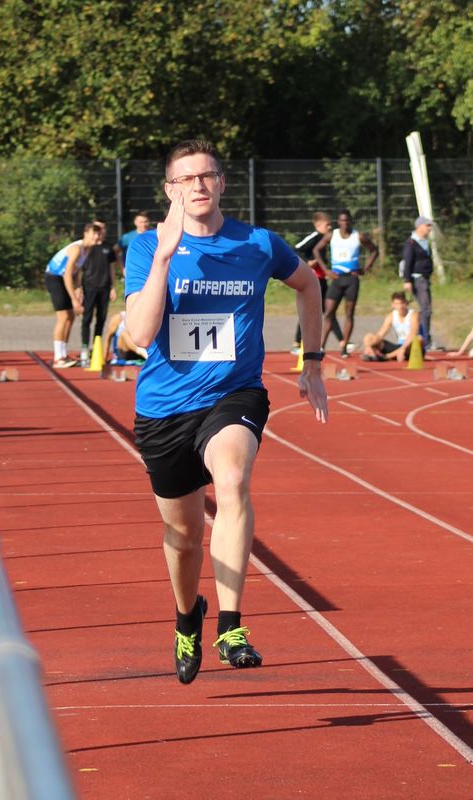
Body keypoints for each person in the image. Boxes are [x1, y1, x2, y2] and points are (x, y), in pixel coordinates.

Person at [125, 139, 328, 685]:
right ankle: (187, 615)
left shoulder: (258, 243)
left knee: (233, 480)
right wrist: (165, 256)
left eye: (206, 176)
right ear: (169, 190)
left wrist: (312, 361)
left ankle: (232, 626)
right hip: (164, 407)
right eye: (185, 179)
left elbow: (308, 285)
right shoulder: (146, 248)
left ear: (222, 183)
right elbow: (139, 333)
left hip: (234, 394)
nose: (197, 185)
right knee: (184, 535)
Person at [318, 209, 378, 358]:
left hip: (351, 279)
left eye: (347, 220)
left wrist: (365, 268)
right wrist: (326, 270)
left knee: (349, 313)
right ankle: (321, 347)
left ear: (351, 221)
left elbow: (374, 250)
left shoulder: (358, 236)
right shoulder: (332, 235)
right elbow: (316, 250)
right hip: (336, 279)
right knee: (329, 312)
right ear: (338, 222)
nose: (345, 223)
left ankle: (344, 346)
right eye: (342, 220)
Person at [44, 223, 100, 368]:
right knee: (63, 316)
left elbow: (77, 270)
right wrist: (74, 300)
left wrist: (78, 287)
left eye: (98, 234)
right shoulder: (76, 249)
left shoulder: (87, 250)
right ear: (86, 233)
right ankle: (58, 358)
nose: (96, 237)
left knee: (71, 317)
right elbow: (67, 274)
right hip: (54, 277)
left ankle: (63, 354)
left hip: (63, 278)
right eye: (94, 233)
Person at [291, 212, 344, 354]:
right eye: (327, 225)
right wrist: (307, 262)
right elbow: (295, 249)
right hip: (312, 279)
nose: (330, 227)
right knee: (312, 310)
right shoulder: (314, 237)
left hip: (321, 279)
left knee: (327, 309)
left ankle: (342, 341)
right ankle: (297, 342)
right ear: (318, 225)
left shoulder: (327, 238)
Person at [79, 219, 117, 366]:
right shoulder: (87, 247)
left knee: (101, 319)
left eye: (100, 229)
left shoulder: (108, 247)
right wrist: (79, 288)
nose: (98, 232)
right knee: (87, 318)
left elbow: (112, 268)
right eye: (95, 229)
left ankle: (96, 349)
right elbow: (79, 268)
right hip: (89, 287)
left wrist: (113, 287)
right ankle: (84, 349)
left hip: (104, 287)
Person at [402, 216, 434, 350]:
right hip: (417, 280)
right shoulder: (411, 243)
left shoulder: (425, 242)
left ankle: (424, 337)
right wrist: (407, 280)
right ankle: (425, 340)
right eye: (427, 226)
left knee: (426, 309)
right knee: (426, 309)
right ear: (419, 226)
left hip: (425, 279)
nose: (429, 228)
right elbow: (407, 262)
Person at [362, 291, 421, 362]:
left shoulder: (414, 315)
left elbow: (413, 333)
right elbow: (380, 334)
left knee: (419, 339)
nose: (400, 306)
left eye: (402, 303)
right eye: (397, 304)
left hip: (411, 348)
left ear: (406, 303)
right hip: (398, 347)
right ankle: (371, 352)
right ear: (393, 305)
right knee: (369, 337)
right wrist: (369, 345)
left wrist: (403, 348)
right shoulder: (391, 316)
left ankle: (386, 357)